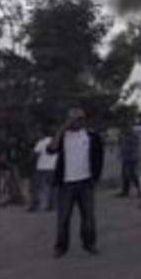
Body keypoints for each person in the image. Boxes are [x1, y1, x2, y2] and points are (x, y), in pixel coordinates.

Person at [49, 107, 105, 256]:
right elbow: (51, 149)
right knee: (63, 217)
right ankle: (61, 247)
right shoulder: (63, 136)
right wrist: (61, 130)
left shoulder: (91, 136)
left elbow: (99, 157)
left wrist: (96, 178)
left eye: (80, 119)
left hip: (86, 182)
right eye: (73, 119)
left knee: (88, 216)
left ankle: (89, 243)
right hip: (66, 183)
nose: (77, 122)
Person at [29, 131, 58, 213]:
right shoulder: (56, 141)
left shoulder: (40, 143)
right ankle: (52, 205)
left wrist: (31, 159)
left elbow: (35, 154)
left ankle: (35, 205)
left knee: (37, 188)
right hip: (53, 167)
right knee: (53, 188)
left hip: (41, 168)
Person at [118, 124, 141, 198]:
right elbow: (122, 146)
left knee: (133, 174)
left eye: (127, 128)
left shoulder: (134, 136)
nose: (125, 130)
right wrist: (121, 154)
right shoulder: (124, 136)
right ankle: (125, 191)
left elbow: (134, 145)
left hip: (132, 158)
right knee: (125, 175)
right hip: (126, 158)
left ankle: (139, 190)